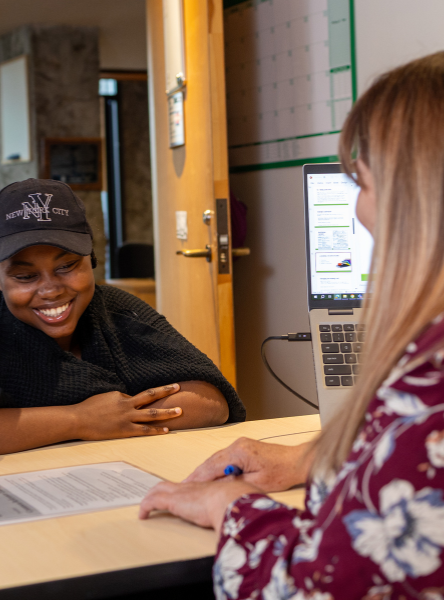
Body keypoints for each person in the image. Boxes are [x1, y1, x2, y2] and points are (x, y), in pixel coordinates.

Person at [139, 52, 444, 598]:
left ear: (412, 197)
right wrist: (315, 455)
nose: (359, 214)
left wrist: (230, 507)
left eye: (364, 184)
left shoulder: (431, 375)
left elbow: (320, 586)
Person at [0, 179, 245, 464]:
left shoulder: (116, 310)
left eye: (67, 266)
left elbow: (212, 400)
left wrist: (116, 419)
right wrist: (80, 420)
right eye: (25, 277)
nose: (51, 290)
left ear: (92, 258)